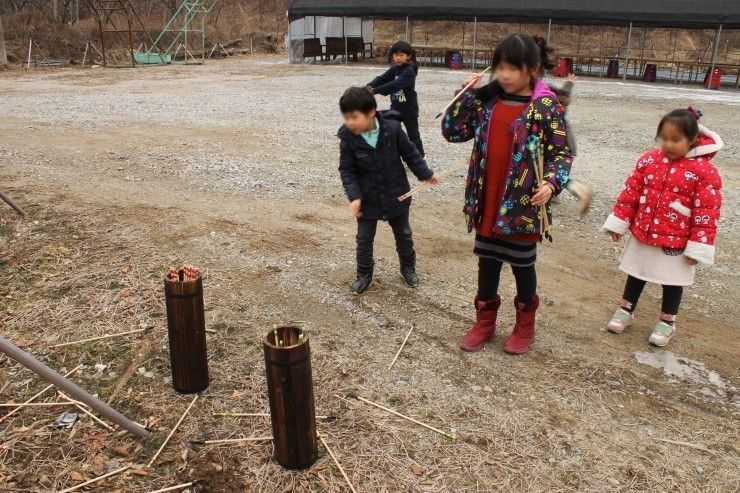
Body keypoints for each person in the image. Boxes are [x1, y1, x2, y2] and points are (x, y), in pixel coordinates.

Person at [441, 33, 572, 355]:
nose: (505, 75)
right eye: (499, 67)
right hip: (488, 200)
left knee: (522, 266)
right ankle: (484, 323)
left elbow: (561, 153)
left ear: (533, 69)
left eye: (513, 68)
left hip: (523, 206)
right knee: (487, 264)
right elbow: (453, 132)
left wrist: (552, 184)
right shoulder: (488, 101)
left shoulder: (545, 106)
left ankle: (524, 326)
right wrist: (465, 97)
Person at [603, 107, 723, 347]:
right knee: (637, 272)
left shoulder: (704, 171)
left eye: (675, 140)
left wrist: (698, 246)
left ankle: (667, 322)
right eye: (664, 138)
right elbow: (631, 194)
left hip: (677, 238)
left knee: (672, 280)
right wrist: (620, 222)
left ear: (691, 140)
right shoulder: (649, 160)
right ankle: (626, 309)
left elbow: (706, 212)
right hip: (644, 231)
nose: (668, 144)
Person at [338, 87, 440, 295]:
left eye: (354, 117)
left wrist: (426, 173)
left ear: (372, 112)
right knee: (364, 239)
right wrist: (355, 197)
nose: (350, 122)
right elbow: (347, 171)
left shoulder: (392, 130)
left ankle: (408, 268)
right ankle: (364, 274)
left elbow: (411, 154)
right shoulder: (349, 139)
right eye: (346, 117)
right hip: (367, 199)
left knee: (404, 234)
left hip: (397, 193)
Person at [366, 41, 424, 156]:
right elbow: (382, 78)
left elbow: (395, 85)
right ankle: (390, 155)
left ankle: (419, 157)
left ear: (408, 56)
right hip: (396, 107)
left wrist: (375, 91)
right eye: (396, 55)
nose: (398, 58)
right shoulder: (395, 68)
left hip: (409, 109)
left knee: (413, 135)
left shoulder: (409, 71)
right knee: (390, 130)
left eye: (401, 55)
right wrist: (368, 86)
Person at [549, 75, 592, 216]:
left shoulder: (549, 110)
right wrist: (568, 84)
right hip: (567, 144)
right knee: (553, 170)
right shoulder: (560, 108)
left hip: (559, 145)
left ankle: (579, 189)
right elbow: (563, 97)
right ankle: (553, 195)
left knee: (549, 171)